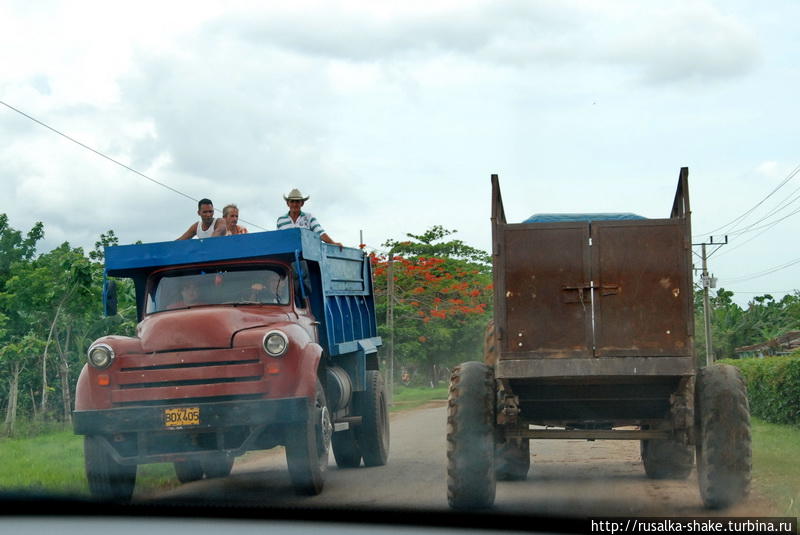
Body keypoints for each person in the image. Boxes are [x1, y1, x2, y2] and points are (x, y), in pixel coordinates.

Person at [276, 188, 343, 247]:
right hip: (288, 254)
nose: (294, 204)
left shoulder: (309, 217)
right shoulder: (281, 220)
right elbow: (278, 239)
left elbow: (320, 233)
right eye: (292, 201)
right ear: (288, 203)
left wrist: (333, 243)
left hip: (307, 254)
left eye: (297, 201)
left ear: (302, 203)